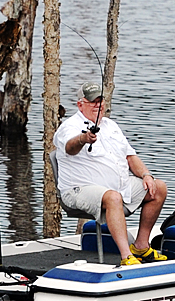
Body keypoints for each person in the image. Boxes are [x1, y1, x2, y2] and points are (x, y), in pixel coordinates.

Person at [54, 82, 168, 266]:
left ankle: (141, 245)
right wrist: (83, 139)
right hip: (77, 190)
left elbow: (130, 156)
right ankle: (126, 257)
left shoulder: (110, 125)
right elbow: (70, 147)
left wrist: (146, 175)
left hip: (118, 186)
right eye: (92, 102)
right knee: (113, 198)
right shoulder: (69, 127)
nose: (98, 105)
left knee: (159, 188)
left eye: (100, 101)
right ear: (80, 104)